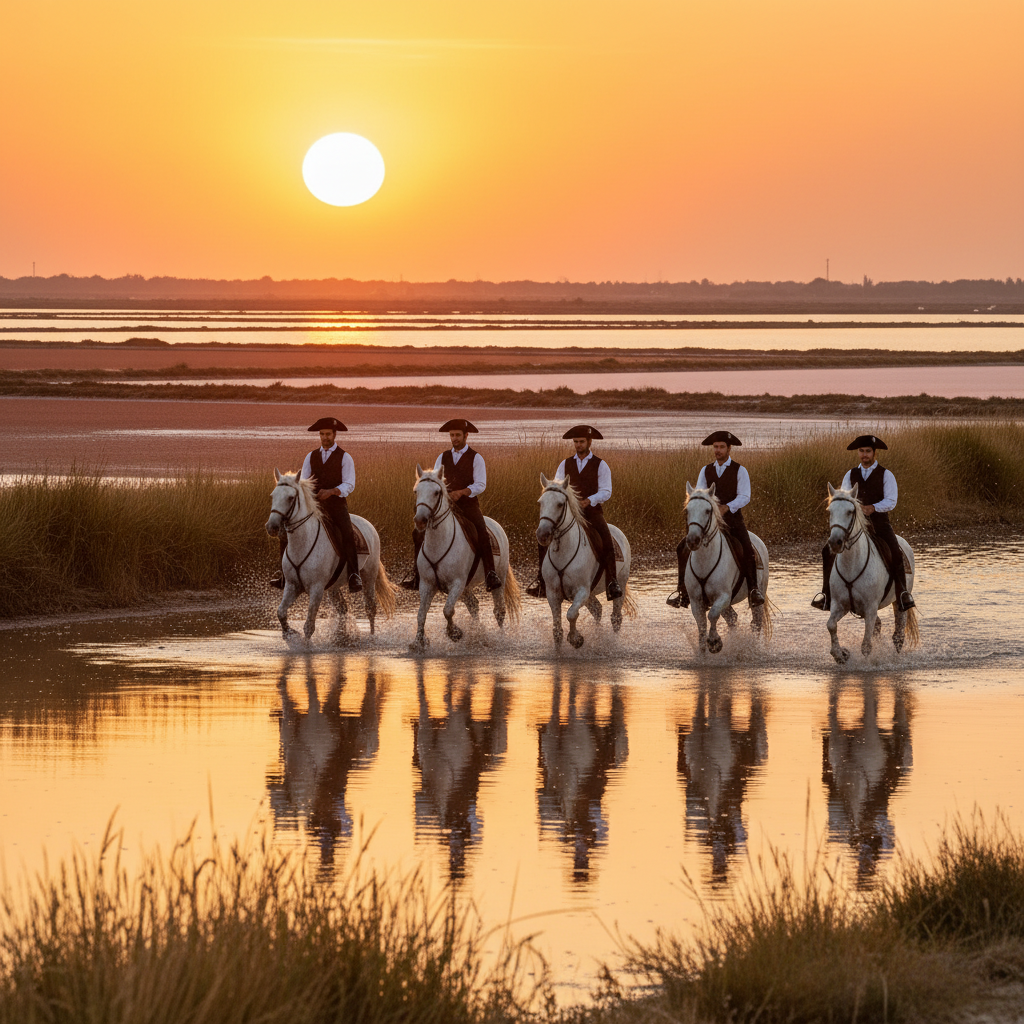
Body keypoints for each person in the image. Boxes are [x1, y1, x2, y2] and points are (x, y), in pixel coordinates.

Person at [812, 434, 916, 612]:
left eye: (868, 451)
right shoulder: (850, 474)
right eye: (861, 451)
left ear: (875, 453)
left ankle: (902, 594)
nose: (864, 455)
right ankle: (826, 595)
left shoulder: (886, 474)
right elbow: (844, 498)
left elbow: (892, 501)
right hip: (854, 526)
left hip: (880, 524)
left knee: (896, 552)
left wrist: (873, 508)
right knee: (826, 551)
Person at [401, 418, 502, 592]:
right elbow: (435, 480)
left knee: (482, 533)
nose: (454, 438)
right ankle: (417, 575)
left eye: (457, 435)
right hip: (444, 506)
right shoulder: (442, 456)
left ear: (466, 436)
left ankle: (490, 574)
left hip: (468, 505)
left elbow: (481, 484)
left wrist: (462, 492)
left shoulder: (476, 458)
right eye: (452, 435)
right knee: (417, 533)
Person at [666, 430, 765, 608]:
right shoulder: (706, 470)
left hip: (733, 521)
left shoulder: (740, 470)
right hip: (707, 521)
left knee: (747, 549)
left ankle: (753, 590)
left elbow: (745, 496)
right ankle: (682, 591)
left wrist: (727, 507)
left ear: (729, 449)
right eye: (715, 447)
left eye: (721, 447)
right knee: (682, 547)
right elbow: (700, 493)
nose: (718, 450)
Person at [527, 424, 623, 601]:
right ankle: (541, 581)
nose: (578, 445)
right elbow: (557, 487)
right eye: (576, 442)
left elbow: (606, 491)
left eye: (581, 442)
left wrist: (589, 500)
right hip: (568, 513)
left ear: (589, 442)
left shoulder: (601, 465)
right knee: (543, 537)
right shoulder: (565, 464)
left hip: (592, 513)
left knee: (607, 541)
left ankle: (612, 583)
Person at [270, 416, 362, 592]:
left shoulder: (345, 457)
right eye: (322, 434)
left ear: (335, 435)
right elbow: (304, 482)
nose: (325, 437)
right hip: (314, 506)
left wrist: (331, 491)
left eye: (328, 434)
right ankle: (284, 576)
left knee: (347, 533)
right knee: (286, 531)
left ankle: (354, 575)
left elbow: (349, 484)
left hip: (336, 506)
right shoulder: (310, 456)